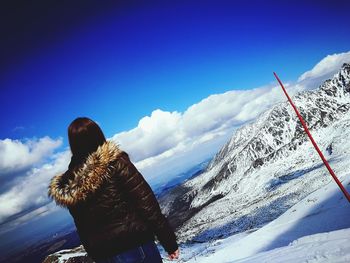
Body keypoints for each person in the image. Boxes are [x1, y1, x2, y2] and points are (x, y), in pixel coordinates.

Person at [48, 117, 179, 262]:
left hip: (104, 255)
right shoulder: (115, 162)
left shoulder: (69, 184)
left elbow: (82, 228)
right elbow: (146, 203)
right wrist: (169, 242)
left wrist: (96, 255)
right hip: (135, 247)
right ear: (97, 135)